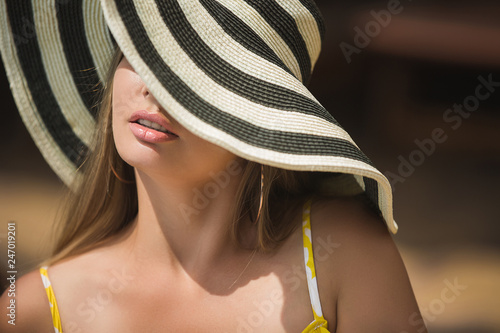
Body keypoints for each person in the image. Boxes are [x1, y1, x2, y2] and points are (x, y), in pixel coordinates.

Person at [0, 0, 426, 332]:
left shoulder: (343, 254)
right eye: (140, 51)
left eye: (190, 69)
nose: (152, 87)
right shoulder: (32, 311)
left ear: (263, 115)